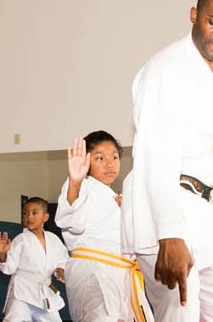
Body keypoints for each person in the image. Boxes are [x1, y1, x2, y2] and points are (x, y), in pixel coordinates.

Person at [121, 0, 213, 321]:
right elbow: (155, 153)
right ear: (194, 15)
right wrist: (170, 233)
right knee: (180, 314)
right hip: (170, 207)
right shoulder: (165, 69)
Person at [56, 131, 152, 322]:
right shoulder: (82, 185)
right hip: (95, 273)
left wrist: (126, 213)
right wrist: (75, 182)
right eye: (100, 158)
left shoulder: (113, 197)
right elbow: (70, 218)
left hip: (120, 274)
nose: (110, 164)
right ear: (86, 161)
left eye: (114, 157)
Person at [0, 196, 69, 322]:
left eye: (34, 213)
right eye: (25, 213)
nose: (29, 217)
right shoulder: (20, 240)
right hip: (21, 291)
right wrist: (3, 255)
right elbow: (9, 268)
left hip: (44, 291)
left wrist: (61, 269)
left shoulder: (53, 240)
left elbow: (63, 259)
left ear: (45, 217)